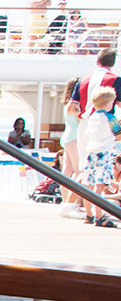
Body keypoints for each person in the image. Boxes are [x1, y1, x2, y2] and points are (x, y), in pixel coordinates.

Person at [80, 85, 119, 227]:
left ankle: (88, 215)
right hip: (105, 152)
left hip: (91, 152)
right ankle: (99, 216)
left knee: (88, 184)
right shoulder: (110, 117)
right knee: (100, 185)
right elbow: (119, 134)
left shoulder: (92, 117)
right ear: (108, 104)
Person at [58, 78, 85, 218]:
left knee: (67, 171)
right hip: (75, 137)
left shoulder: (66, 105)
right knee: (78, 170)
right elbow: (81, 119)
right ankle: (74, 203)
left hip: (67, 136)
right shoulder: (76, 105)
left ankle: (65, 201)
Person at [75, 49, 121, 117]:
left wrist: (84, 116)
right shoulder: (116, 80)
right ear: (113, 63)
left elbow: (71, 108)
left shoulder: (82, 81)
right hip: (105, 122)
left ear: (97, 61)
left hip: (84, 123)